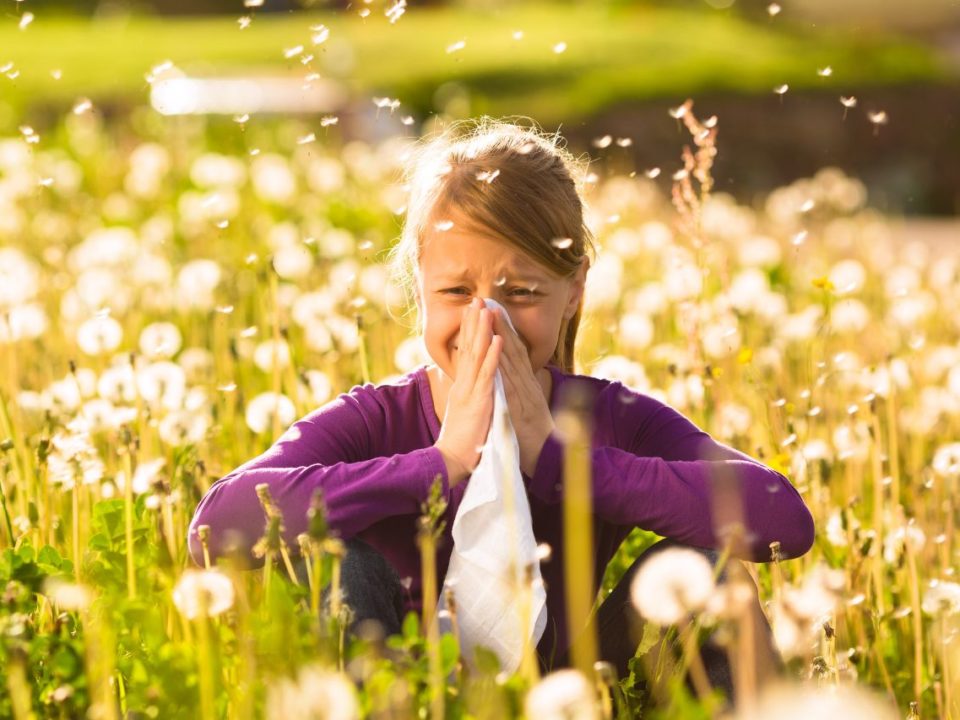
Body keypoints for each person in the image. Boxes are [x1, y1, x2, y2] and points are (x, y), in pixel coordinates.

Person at [187, 118, 815, 699]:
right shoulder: (377, 418)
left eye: (521, 293)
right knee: (338, 563)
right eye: (457, 291)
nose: (487, 321)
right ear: (419, 287)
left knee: (710, 572)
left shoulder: (610, 416)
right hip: (399, 689)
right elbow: (215, 527)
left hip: (568, 691)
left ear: (574, 293)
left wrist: (563, 462)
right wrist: (442, 463)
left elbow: (783, 518)